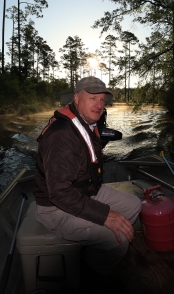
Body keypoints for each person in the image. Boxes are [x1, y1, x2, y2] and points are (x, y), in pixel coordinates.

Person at [34, 76, 142, 281]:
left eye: (102, 100)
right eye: (93, 98)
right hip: (56, 208)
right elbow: (59, 193)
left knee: (134, 204)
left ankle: (96, 252)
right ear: (76, 97)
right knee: (117, 240)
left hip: (86, 191)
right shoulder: (61, 135)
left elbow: (85, 157)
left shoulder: (87, 124)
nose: (99, 105)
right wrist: (104, 215)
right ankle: (93, 274)